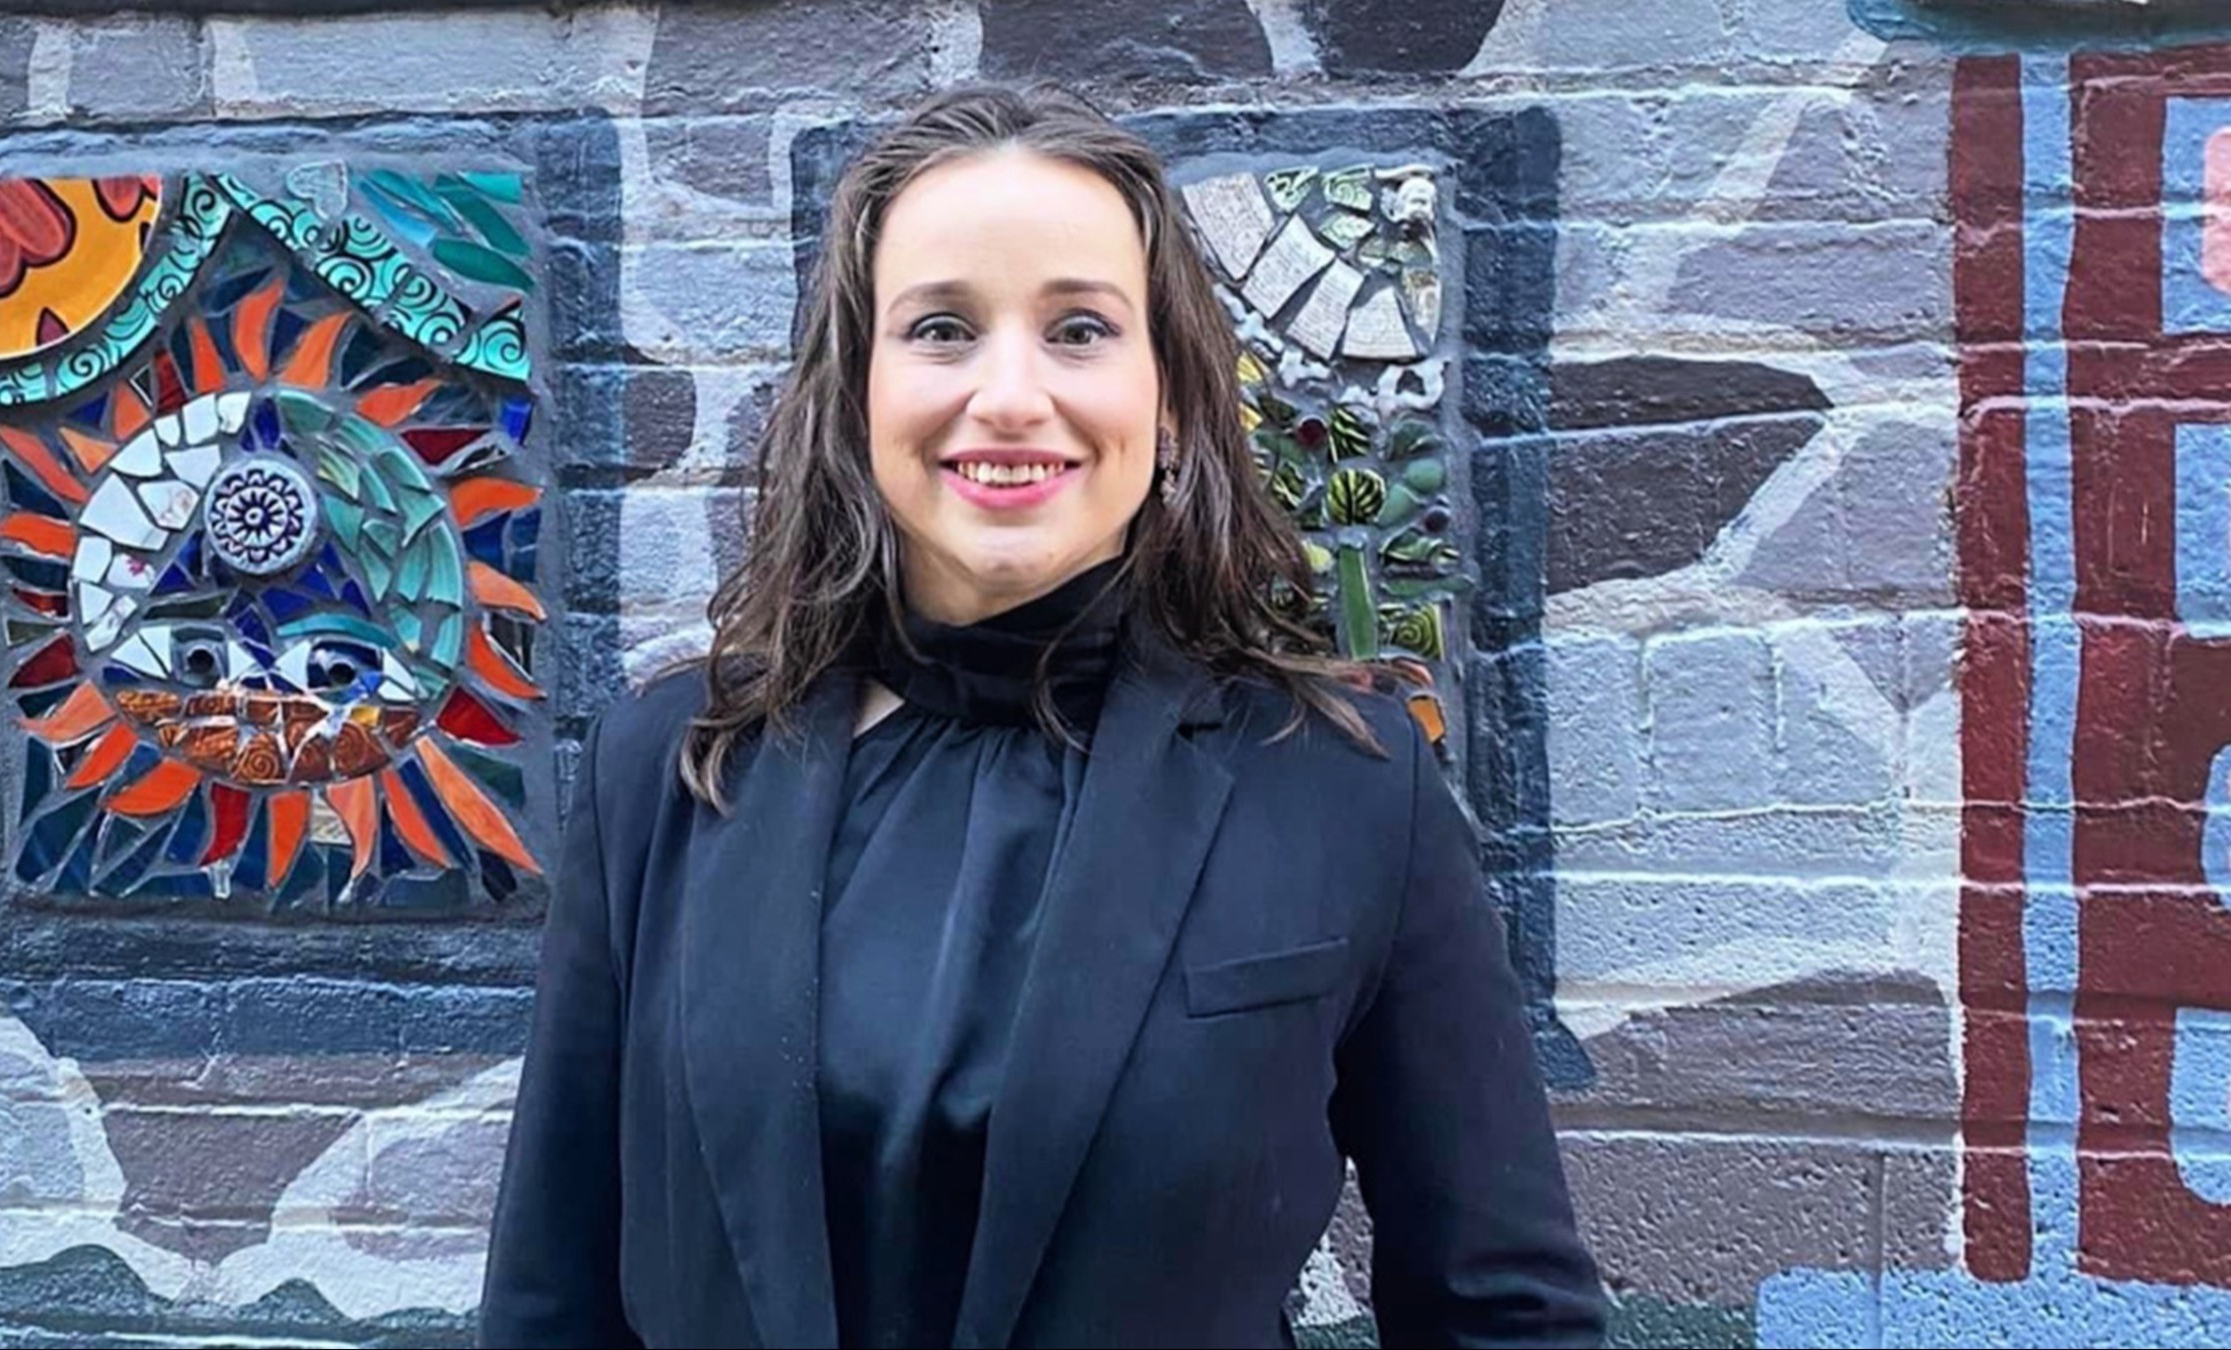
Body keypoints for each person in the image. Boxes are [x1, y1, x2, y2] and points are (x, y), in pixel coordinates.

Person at [479, 82, 1604, 1349]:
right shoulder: (668, 771)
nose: (1010, 396)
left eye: (1078, 330)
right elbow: (551, 1298)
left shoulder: (1344, 785)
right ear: (858, 391)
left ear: (1172, 397)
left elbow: (1500, 1311)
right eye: (944, 329)